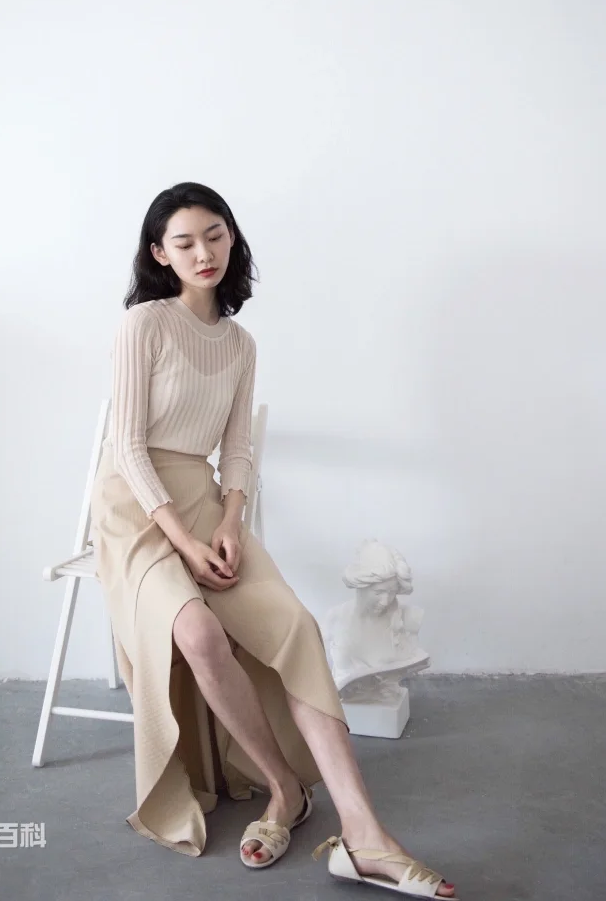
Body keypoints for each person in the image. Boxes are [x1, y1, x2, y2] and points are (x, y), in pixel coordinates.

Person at [89, 183, 458, 897]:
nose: (204, 252)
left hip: (203, 502)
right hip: (135, 509)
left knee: (293, 626)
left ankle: (365, 836)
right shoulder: (144, 325)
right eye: (184, 242)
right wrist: (184, 542)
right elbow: (128, 447)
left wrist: (228, 523)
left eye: (215, 235)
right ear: (160, 254)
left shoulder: (239, 343)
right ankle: (285, 789)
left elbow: (237, 450)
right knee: (199, 632)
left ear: (232, 239)